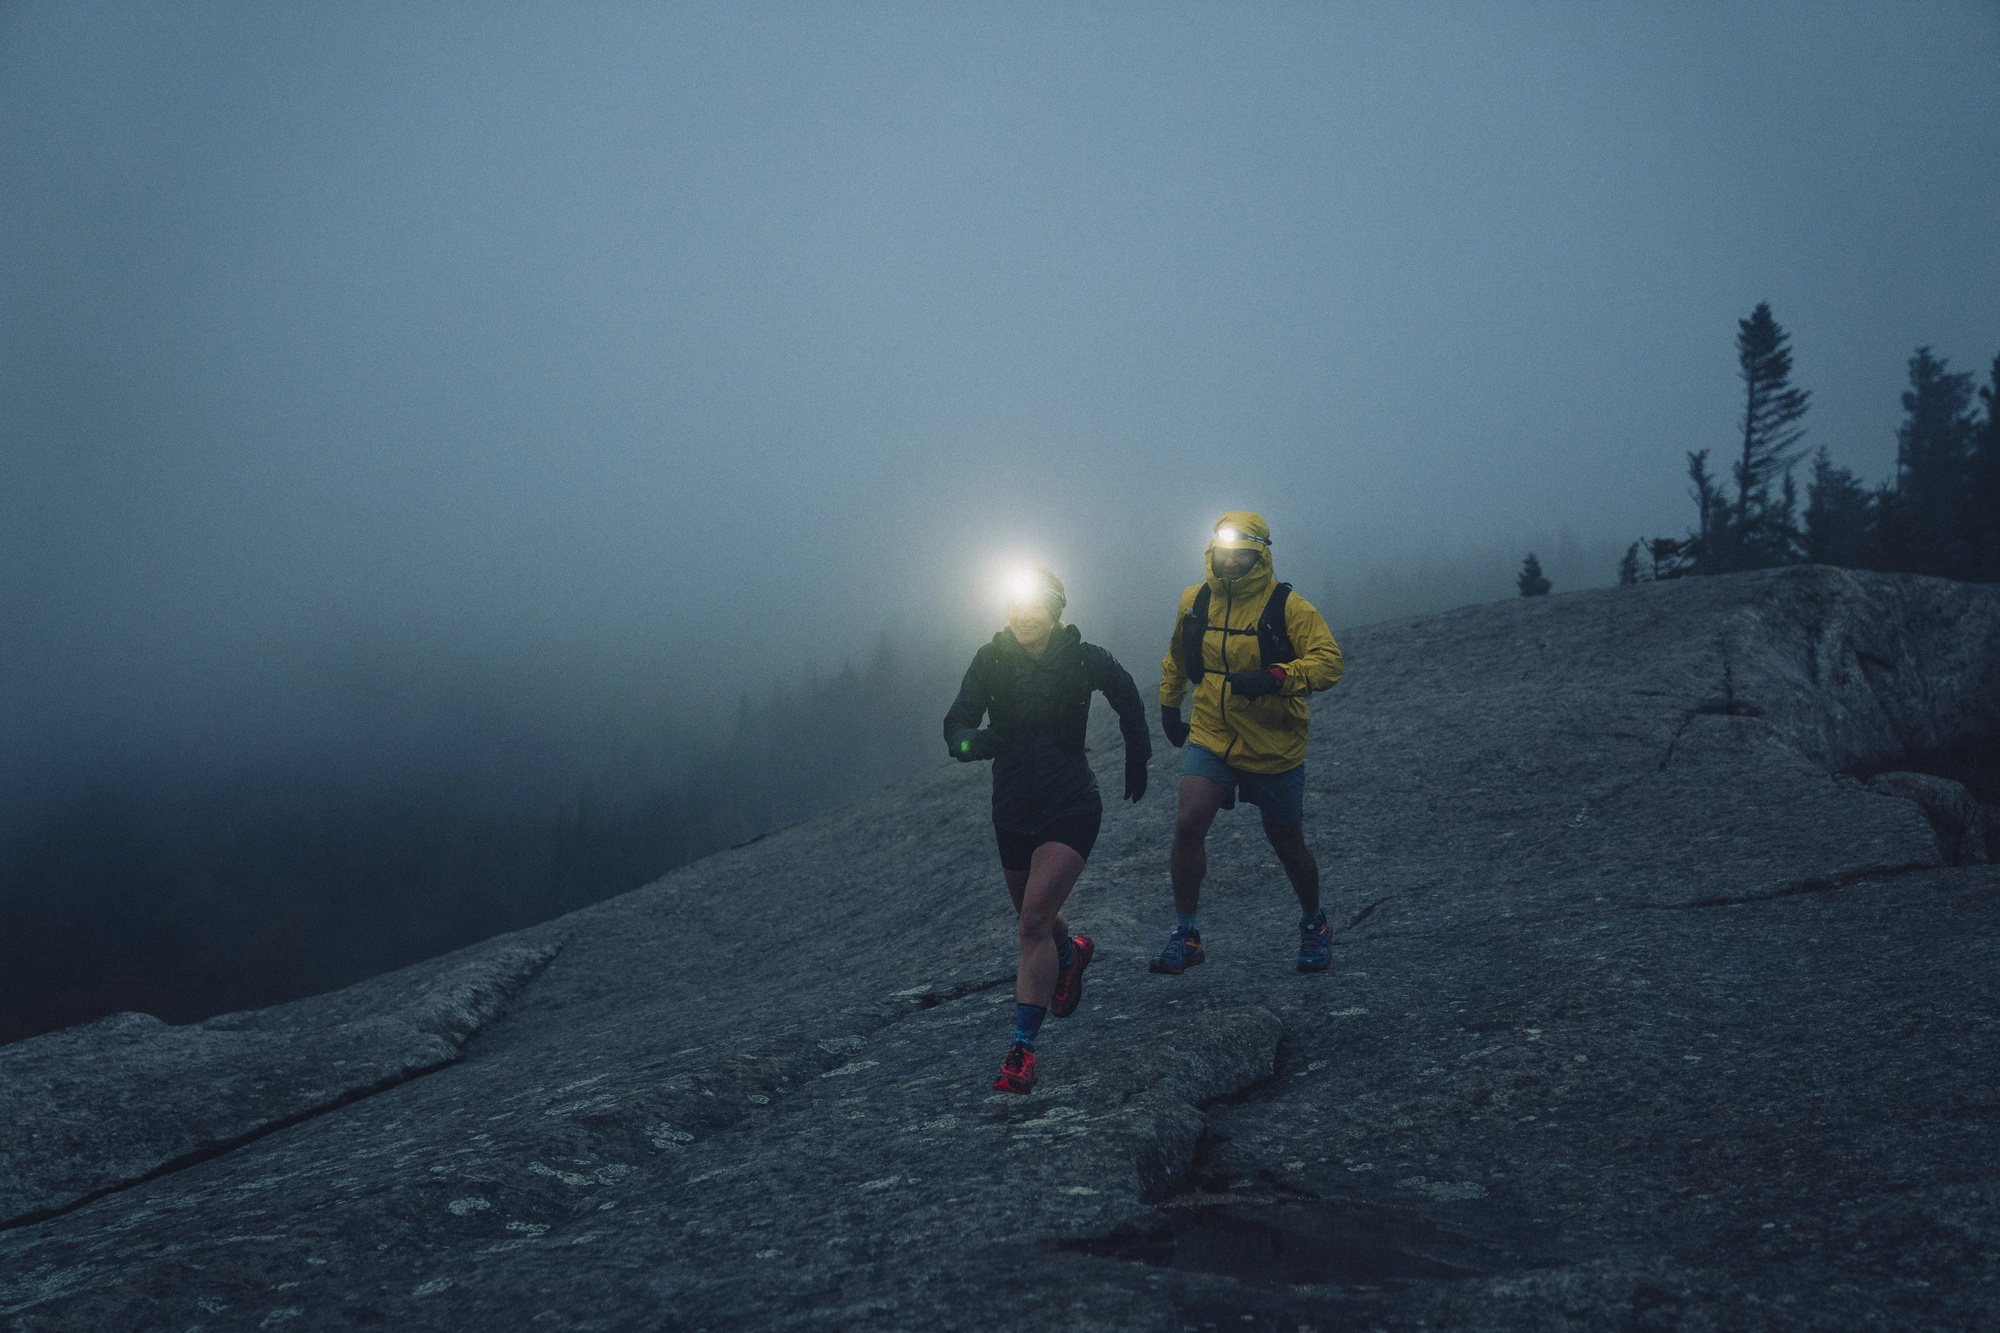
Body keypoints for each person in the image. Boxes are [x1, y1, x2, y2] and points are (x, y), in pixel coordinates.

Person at [944, 567, 1151, 1095]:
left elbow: (1127, 697)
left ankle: (1022, 1052)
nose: (1024, 617)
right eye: (1015, 607)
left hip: (1071, 804)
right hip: (1012, 808)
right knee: (1036, 919)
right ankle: (1072, 951)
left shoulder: (1084, 658)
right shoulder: (991, 659)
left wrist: (1138, 753)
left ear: (1056, 610)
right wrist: (974, 743)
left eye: (1035, 607)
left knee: (1031, 920)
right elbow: (957, 724)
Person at [1153, 512, 1344, 975]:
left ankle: (1314, 923)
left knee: (1285, 840)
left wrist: (1278, 677)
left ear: (1260, 553)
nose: (1231, 561)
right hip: (1212, 734)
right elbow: (1177, 656)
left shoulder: (1288, 606)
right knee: (1187, 824)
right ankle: (1186, 934)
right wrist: (1168, 705)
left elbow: (1329, 662)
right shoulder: (1195, 600)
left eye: (1242, 553)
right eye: (1224, 552)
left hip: (1273, 743)